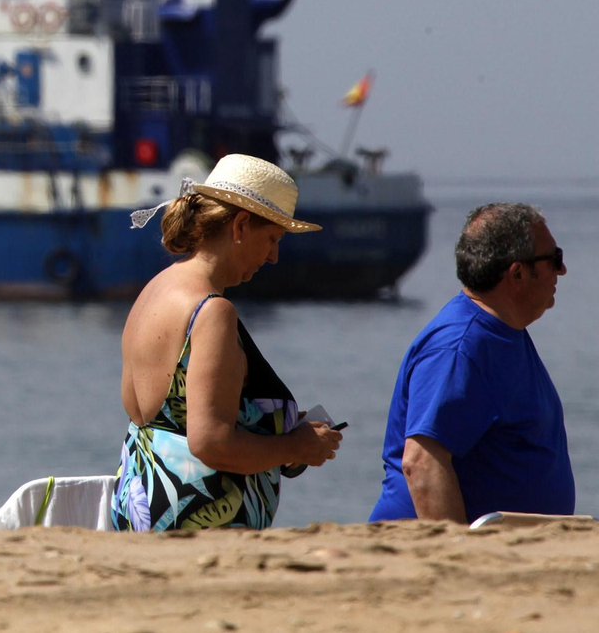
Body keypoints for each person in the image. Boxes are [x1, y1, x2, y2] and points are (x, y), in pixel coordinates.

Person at [111, 154, 343, 531]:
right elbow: (211, 444)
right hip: (195, 529)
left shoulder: (154, 291)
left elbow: (174, 419)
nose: (273, 257)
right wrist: (295, 447)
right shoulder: (211, 312)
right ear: (240, 226)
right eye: (271, 239)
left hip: (140, 511)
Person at [369, 203, 573, 523]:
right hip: (428, 553)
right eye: (554, 259)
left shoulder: (503, 333)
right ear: (517, 273)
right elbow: (421, 462)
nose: (562, 270)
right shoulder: (459, 348)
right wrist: (460, 555)